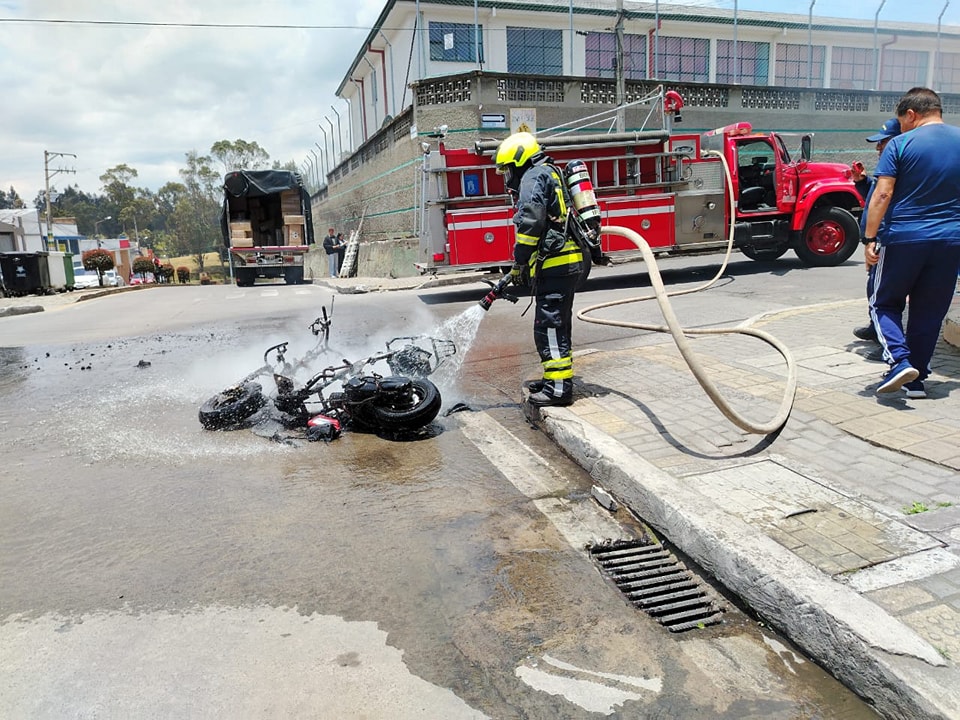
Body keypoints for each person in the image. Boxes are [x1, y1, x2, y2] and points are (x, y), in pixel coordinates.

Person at [863, 87, 960, 398]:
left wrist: (869, 238)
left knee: (883, 303)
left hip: (904, 238)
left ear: (911, 115)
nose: (901, 128)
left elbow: (882, 193)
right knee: (929, 312)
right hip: (951, 240)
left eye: (901, 121)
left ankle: (899, 361)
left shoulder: (901, 144)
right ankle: (916, 382)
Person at [495, 131, 584, 407]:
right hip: (565, 264)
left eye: (509, 168)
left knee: (549, 327)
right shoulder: (550, 172)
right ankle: (554, 379)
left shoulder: (533, 177)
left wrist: (520, 259)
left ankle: (558, 389)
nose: (508, 176)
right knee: (558, 325)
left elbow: (531, 222)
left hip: (555, 266)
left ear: (519, 161)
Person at [850, 118, 901, 349]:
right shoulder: (886, 169)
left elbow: (885, 201)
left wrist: (874, 240)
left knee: (883, 294)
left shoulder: (899, 168)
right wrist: (862, 181)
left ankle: (886, 345)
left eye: (883, 143)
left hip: (884, 241)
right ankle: (875, 328)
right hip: (877, 241)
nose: (878, 148)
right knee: (874, 287)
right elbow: (873, 195)